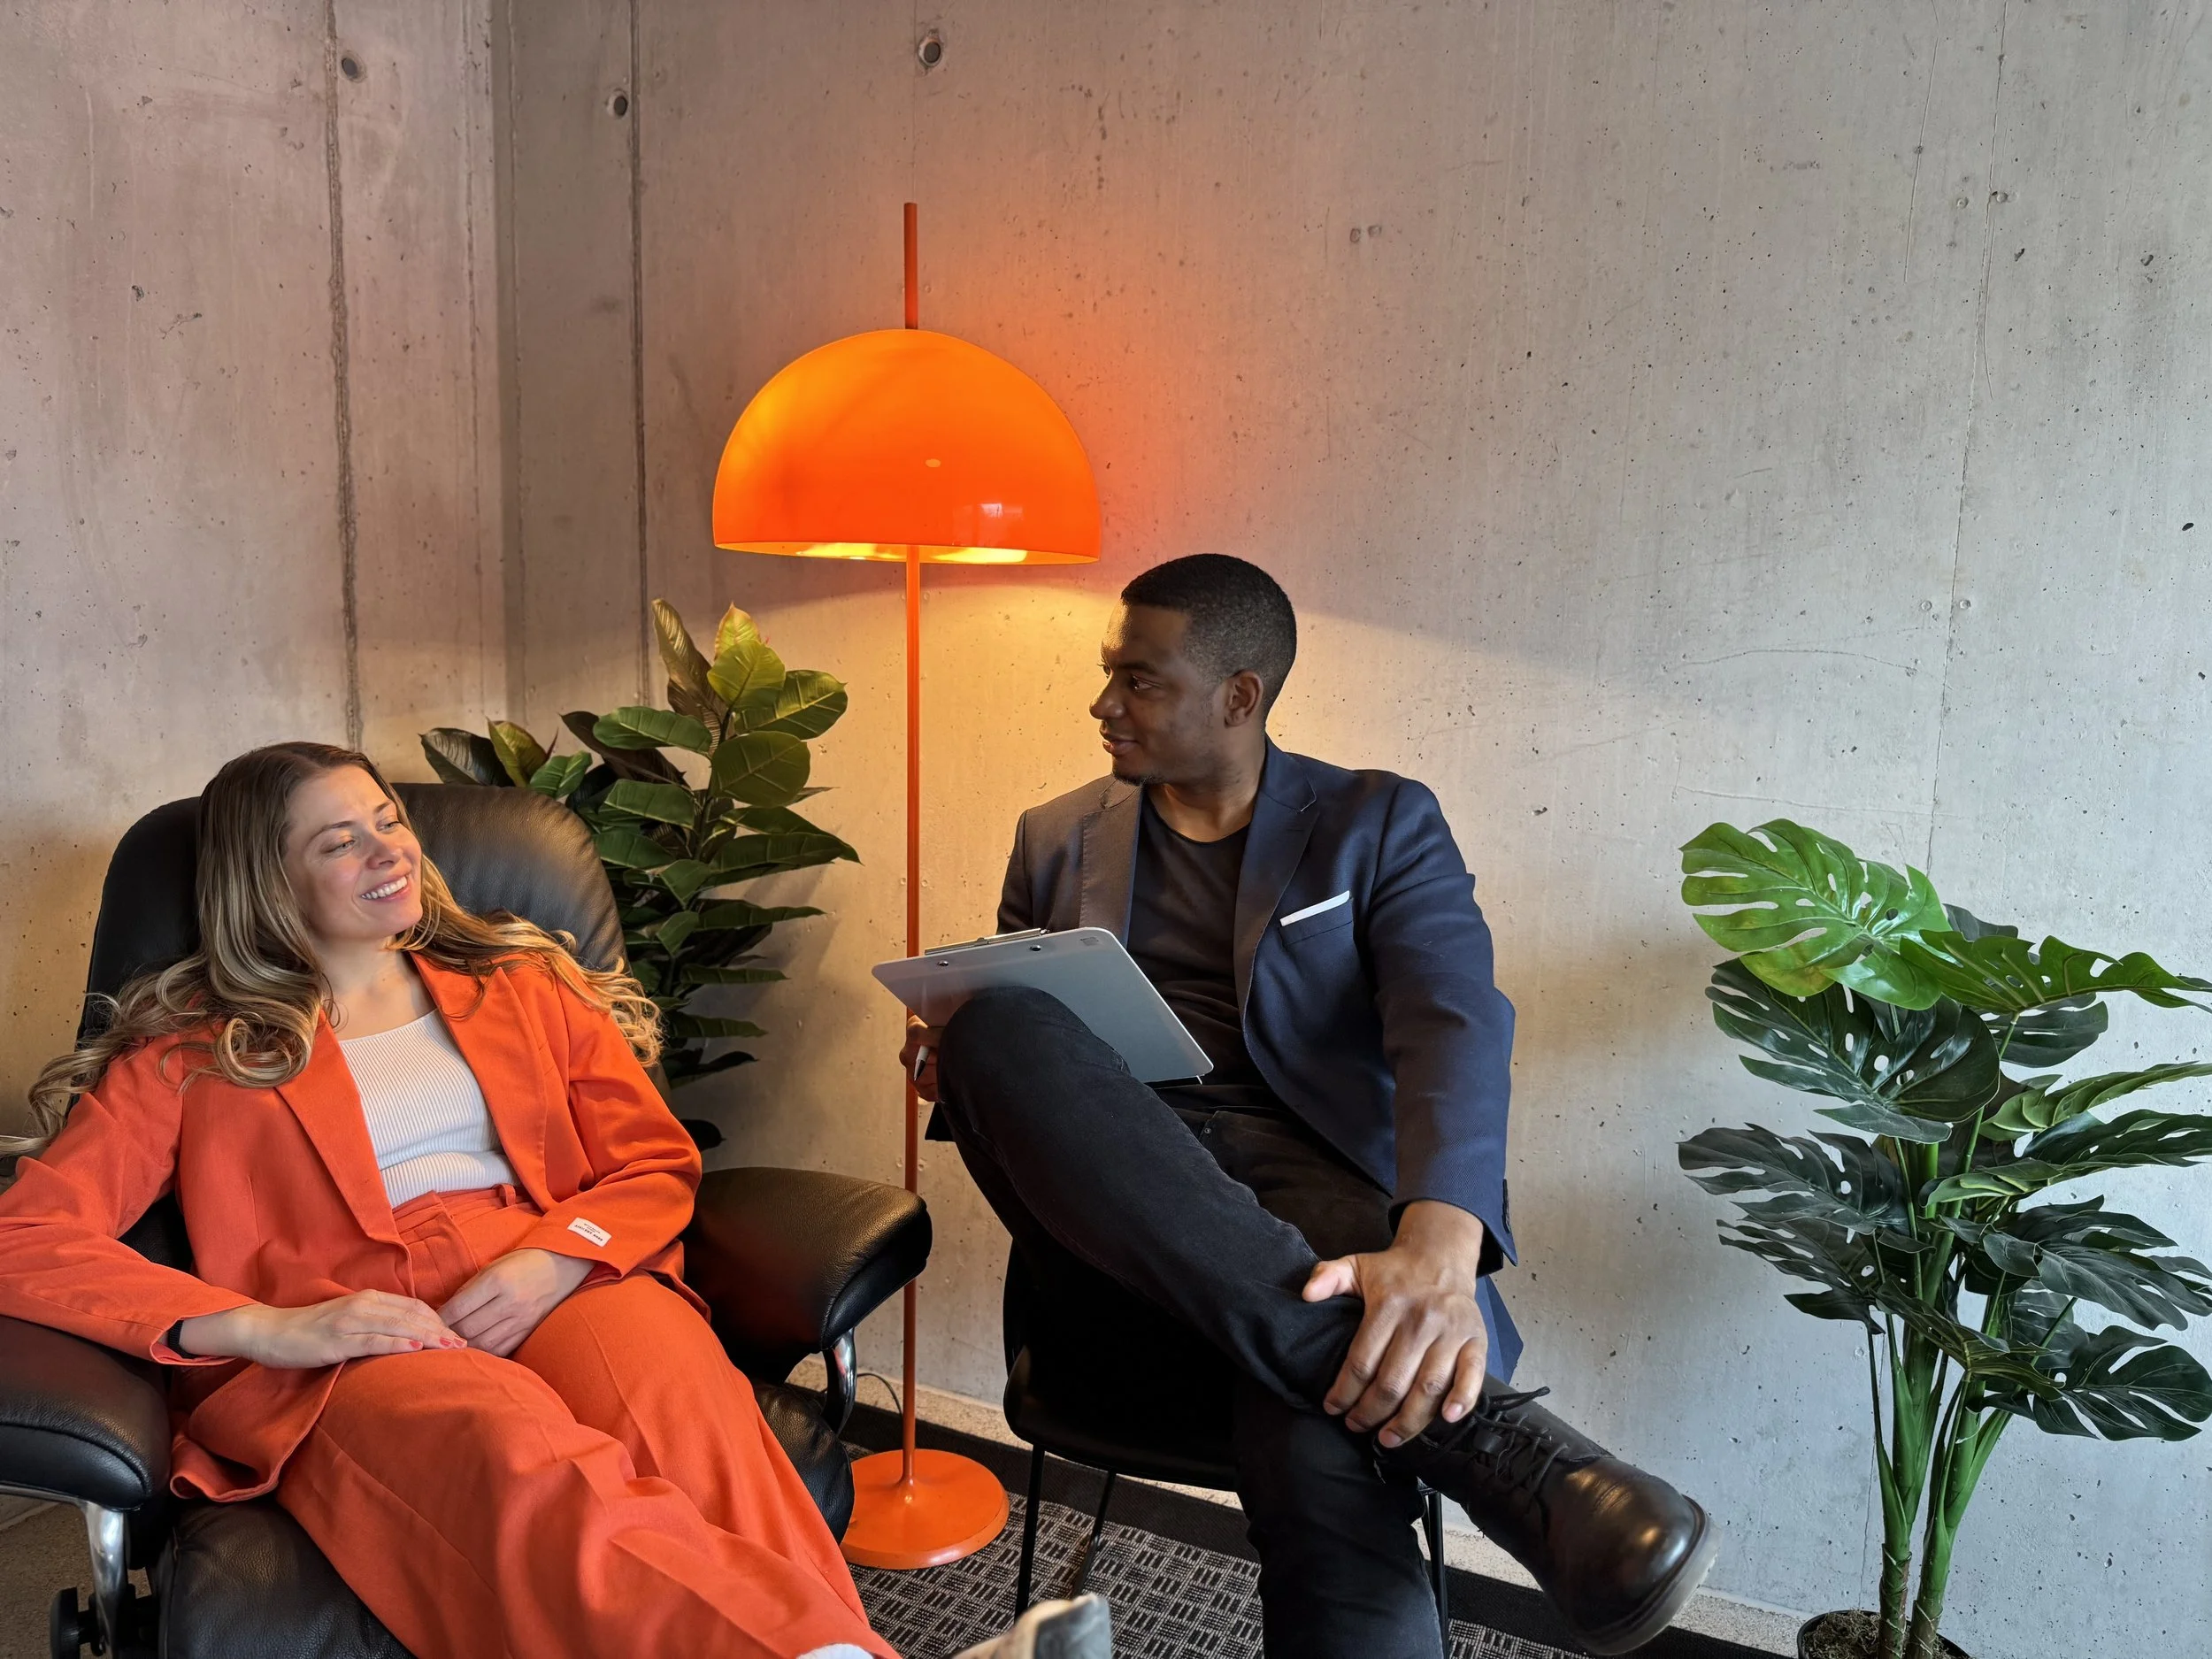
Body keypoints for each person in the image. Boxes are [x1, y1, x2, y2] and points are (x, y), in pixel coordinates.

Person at [0, 741, 1108, 1659]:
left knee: (685, 1412)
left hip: (549, 1262)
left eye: (387, 820)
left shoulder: (519, 984)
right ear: (265, 882)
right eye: (339, 841)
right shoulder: (193, 1052)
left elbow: (650, 1161)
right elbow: (29, 1236)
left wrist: (557, 1256)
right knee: (521, 1461)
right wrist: (260, 1328)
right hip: (350, 1331)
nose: (389, 850)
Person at [902, 556, 1717, 1659]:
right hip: (1123, 1246)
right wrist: (956, 1057)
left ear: (1238, 697)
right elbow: (1028, 1083)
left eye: (1139, 681)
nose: (1102, 704)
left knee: (1324, 1409)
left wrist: (1437, 1248)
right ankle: (1504, 1455)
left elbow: (1452, 1019)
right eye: (1108, 674)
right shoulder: (1055, 834)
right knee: (1000, 1027)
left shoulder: (1376, 822)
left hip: (1313, 1215)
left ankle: (1368, 1372)